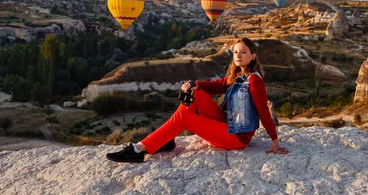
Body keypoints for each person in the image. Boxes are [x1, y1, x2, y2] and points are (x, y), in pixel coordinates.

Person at [106, 37, 289, 163]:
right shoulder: (239, 75)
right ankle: (162, 140)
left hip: (236, 137)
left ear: (253, 56)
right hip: (226, 123)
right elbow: (217, 85)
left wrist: (274, 141)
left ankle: (139, 149)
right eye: (235, 52)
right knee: (196, 93)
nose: (238, 56)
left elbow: (263, 110)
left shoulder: (254, 80)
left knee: (185, 117)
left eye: (243, 52)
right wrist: (195, 84)